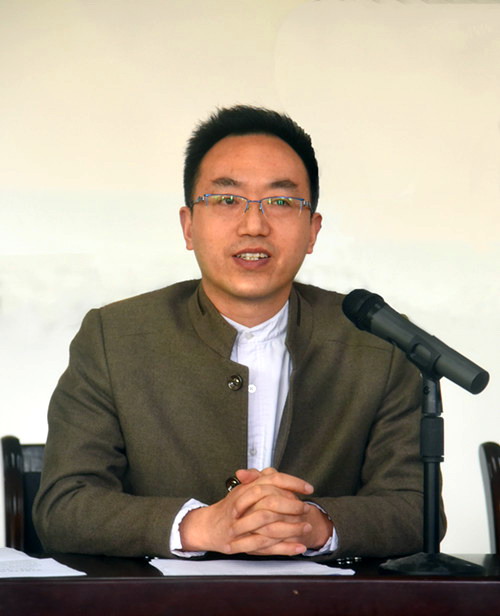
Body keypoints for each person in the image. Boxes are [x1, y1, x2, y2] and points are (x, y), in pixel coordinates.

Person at [33, 105, 443, 560]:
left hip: (321, 604)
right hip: (163, 604)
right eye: (227, 200)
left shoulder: (378, 343)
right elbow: (64, 507)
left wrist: (314, 523)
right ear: (189, 226)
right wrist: (199, 526)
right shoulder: (114, 337)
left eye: (281, 202)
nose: (254, 226)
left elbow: (418, 510)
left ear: (312, 231)